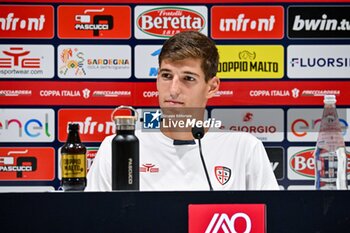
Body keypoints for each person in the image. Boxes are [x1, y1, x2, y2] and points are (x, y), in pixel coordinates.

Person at [85, 31, 279, 191]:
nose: (173, 90)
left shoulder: (244, 148)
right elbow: (93, 220)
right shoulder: (118, 148)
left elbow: (270, 220)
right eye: (166, 75)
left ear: (212, 87)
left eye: (188, 78)